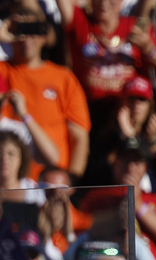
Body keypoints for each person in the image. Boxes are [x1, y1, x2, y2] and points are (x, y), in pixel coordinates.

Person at [0, 7, 90, 179]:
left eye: (33, 30)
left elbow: (79, 137)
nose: (27, 37)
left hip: (52, 184)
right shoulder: (3, 71)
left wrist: (70, 182)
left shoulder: (64, 78)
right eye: (21, 30)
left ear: (44, 35)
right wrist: (2, 35)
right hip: (11, 185)